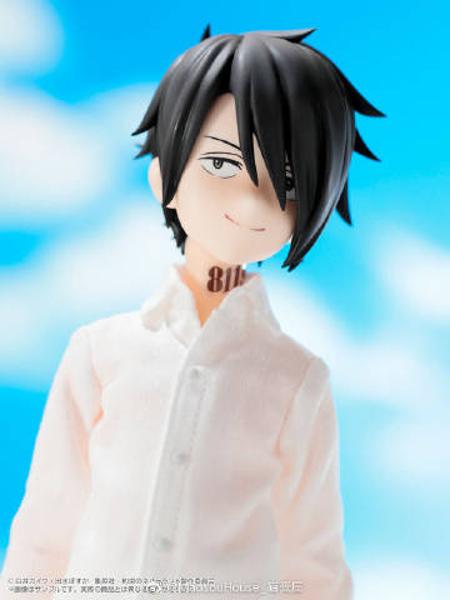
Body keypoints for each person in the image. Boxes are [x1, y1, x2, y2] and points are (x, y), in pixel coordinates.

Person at [0, 26, 384, 599]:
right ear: (165, 178)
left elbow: (312, 553)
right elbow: (48, 521)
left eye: (286, 180)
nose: (252, 200)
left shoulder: (296, 378)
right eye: (222, 164)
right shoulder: (101, 351)